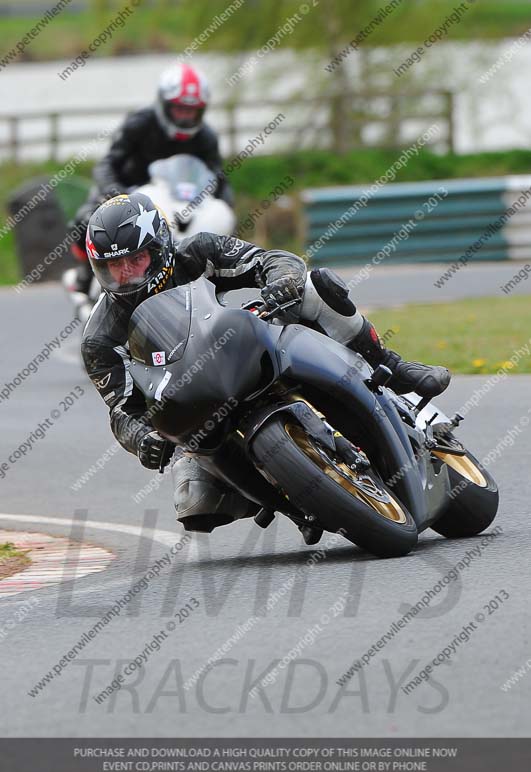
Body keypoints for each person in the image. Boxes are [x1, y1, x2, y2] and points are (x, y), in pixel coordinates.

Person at [82, 193, 450, 533]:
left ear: (160, 247)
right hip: (193, 408)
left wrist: (283, 281)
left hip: (236, 350)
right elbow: (121, 410)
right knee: (195, 503)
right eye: (113, 266)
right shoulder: (99, 339)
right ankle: (294, 501)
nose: (126, 273)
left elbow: (271, 260)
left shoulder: (197, 252)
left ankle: (391, 367)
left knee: (314, 287)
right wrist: (141, 439)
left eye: (136, 259)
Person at [65, 63, 231, 319]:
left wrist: (224, 207)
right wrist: (115, 193)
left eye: (192, 110)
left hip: (174, 202)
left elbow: (218, 180)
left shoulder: (206, 137)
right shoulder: (140, 123)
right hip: (124, 193)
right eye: (179, 109)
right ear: (164, 104)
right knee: (86, 221)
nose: (185, 117)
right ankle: (83, 279)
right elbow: (106, 164)